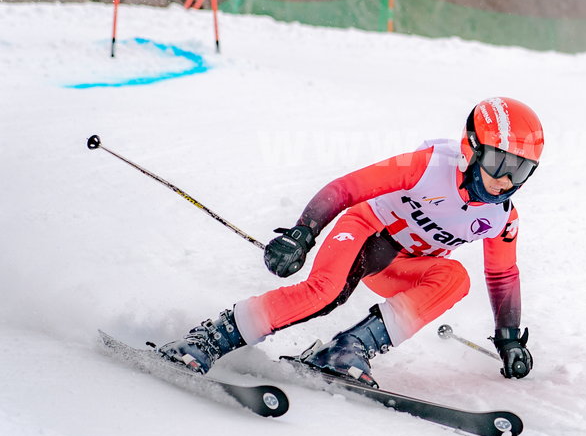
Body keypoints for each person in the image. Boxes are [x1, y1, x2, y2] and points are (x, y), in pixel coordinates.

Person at [158, 97, 543, 386]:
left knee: (456, 278)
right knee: (326, 293)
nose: (506, 181)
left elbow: (503, 275)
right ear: (470, 148)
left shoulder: (500, 217)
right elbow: (347, 188)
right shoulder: (428, 165)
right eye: (499, 164)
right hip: (363, 231)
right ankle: (208, 339)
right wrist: (303, 232)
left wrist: (509, 339)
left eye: (521, 170)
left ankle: (348, 349)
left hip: (399, 266)